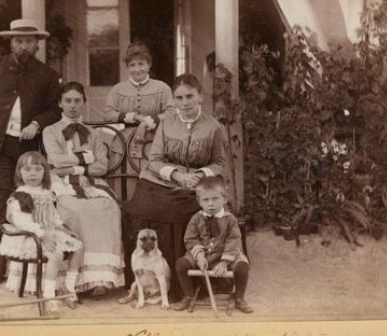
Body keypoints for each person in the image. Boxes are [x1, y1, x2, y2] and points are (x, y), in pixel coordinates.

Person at [0, 18, 61, 284]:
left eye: (28, 41)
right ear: (11, 43)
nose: (22, 46)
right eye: (18, 41)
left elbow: (54, 110)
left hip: (26, 151)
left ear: (37, 44)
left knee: (25, 202)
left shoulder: (46, 75)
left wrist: (36, 123)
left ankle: (23, 264)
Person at [121, 73, 227, 300]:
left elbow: (219, 163)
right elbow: (155, 159)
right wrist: (177, 175)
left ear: (200, 97)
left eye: (189, 96)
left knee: (185, 210)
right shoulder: (166, 123)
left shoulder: (213, 127)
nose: (184, 103)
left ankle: (183, 284)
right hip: (163, 178)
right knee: (143, 207)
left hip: (197, 183)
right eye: (179, 98)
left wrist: (198, 175)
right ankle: (143, 279)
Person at [42, 82, 125, 298]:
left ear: (83, 103)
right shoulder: (50, 131)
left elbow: (101, 166)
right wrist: (84, 159)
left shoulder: (93, 133)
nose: (72, 105)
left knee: (107, 207)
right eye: (68, 100)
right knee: (74, 209)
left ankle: (98, 278)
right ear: (60, 103)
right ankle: (72, 278)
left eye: (77, 101)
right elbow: (55, 160)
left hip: (90, 181)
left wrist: (78, 167)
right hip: (61, 182)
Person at [0, 151, 83, 313]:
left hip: (47, 232)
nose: (32, 174)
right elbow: (22, 222)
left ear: (45, 172)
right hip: (29, 235)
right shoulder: (22, 196)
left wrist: (63, 228)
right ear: (19, 172)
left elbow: (53, 217)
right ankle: (48, 295)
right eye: (27, 169)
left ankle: (68, 287)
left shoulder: (47, 193)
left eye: (37, 169)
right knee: (56, 254)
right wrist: (42, 235)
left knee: (79, 246)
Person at [172, 176, 252, 313]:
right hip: (203, 255)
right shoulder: (196, 218)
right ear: (199, 201)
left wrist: (224, 262)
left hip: (225, 254)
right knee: (181, 264)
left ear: (224, 199)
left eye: (215, 199)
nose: (211, 204)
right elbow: (190, 239)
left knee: (243, 266)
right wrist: (199, 256)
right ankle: (188, 296)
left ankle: (239, 298)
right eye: (206, 200)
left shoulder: (230, 219)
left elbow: (234, 240)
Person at [103, 41, 174, 143]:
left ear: (149, 64)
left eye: (141, 64)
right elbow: (108, 114)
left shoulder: (162, 88)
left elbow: (171, 113)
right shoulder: (117, 90)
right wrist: (134, 117)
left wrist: (147, 122)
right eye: (132, 65)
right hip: (125, 143)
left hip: (155, 142)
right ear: (127, 67)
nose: (137, 69)